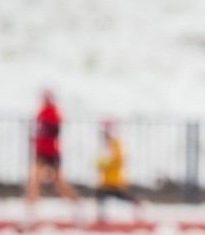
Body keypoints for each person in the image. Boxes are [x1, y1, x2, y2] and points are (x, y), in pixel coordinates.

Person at [24, 90, 81, 220]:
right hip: (41, 151)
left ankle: (76, 207)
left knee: (59, 185)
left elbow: (54, 130)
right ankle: (29, 214)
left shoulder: (53, 112)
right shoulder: (40, 112)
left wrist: (41, 131)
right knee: (34, 182)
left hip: (52, 152)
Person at [94, 120, 143, 224]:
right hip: (108, 178)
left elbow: (116, 159)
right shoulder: (108, 144)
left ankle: (137, 201)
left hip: (114, 178)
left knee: (117, 195)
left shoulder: (115, 144)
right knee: (102, 195)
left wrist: (104, 165)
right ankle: (101, 217)